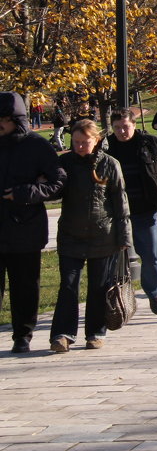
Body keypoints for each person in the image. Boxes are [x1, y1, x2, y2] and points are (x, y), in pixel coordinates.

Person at [50, 120, 132, 352]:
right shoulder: (64, 163)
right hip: (70, 235)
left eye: (84, 142)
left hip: (103, 236)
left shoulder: (109, 164)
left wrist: (125, 239)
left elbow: (120, 203)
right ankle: (62, 334)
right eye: (75, 142)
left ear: (96, 140)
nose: (79, 147)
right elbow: (53, 190)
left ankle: (95, 332)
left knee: (98, 287)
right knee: (68, 285)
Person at [0, 92, 67, 353]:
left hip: (25, 228)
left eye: (3, 120)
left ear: (16, 119)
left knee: (25, 286)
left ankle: (22, 335)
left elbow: (58, 183)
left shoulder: (36, 146)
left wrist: (25, 193)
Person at [105, 108, 157, 315]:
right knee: (113, 257)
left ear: (134, 125)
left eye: (125, 127)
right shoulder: (107, 147)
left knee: (151, 255)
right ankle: (114, 298)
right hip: (116, 213)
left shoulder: (150, 144)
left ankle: (154, 293)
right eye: (117, 128)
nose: (122, 132)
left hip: (145, 210)